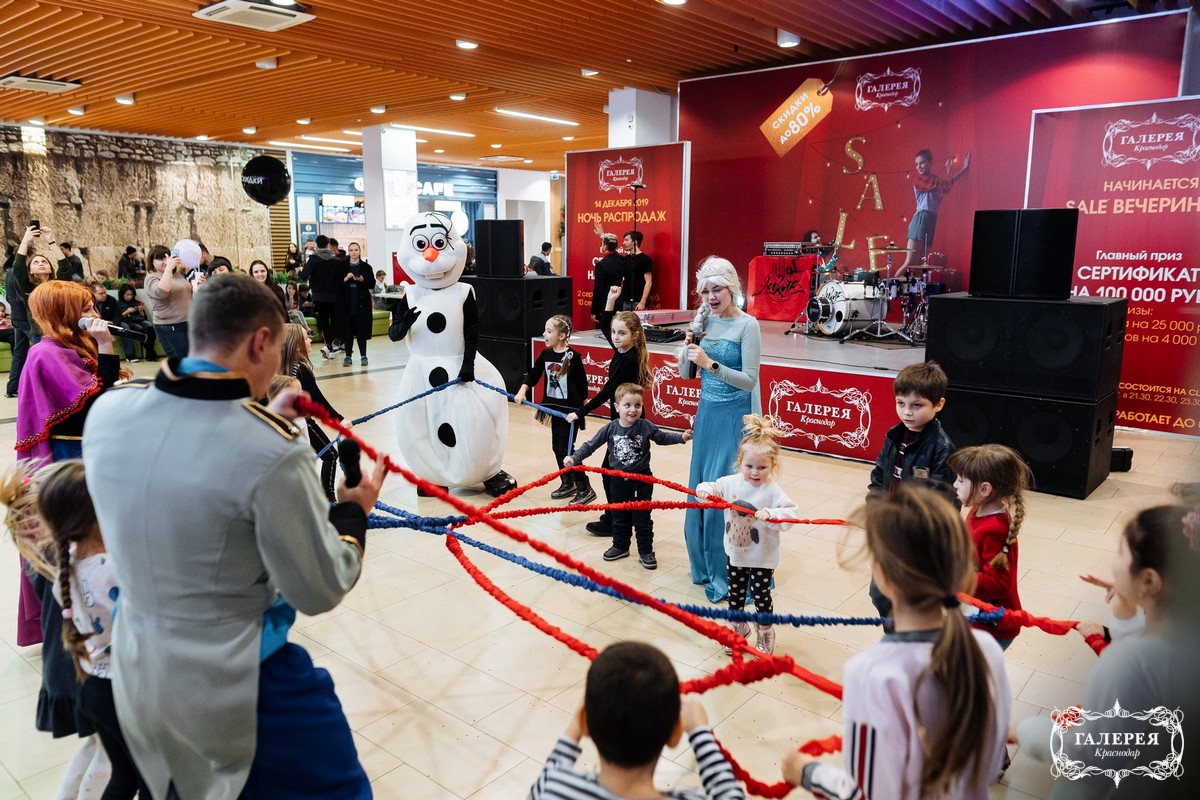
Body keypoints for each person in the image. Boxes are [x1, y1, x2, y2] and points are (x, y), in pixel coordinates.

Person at [81, 273, 387, 800]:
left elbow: (187, 461)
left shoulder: (108, 412)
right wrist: (352, 513)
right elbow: (318, 588)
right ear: (260, 342)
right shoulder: (271, 449)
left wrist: (257, 420)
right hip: (238, 680)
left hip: (136, 667)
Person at [781, 485, 1011, 800]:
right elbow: (990, 761)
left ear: (883, 576)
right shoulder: (986, 650)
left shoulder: (873, 673)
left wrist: (807, 773)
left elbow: (868, 794)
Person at [1015, 504, 1195, 799]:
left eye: (1120, 553)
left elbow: (1093, 758)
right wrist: (1127, 613)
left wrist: (1032, 731)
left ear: (1149, 580)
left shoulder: (1126, 663)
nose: (1114, 563)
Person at [33, 460, 152, 799]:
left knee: (124, 776)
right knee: (153, 780)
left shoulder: (66, 566)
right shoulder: (115, 568)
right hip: (126, 693)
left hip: (92, 688)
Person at [526, 641, 745, 800]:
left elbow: (550, 773)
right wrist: (700, 733)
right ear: (675, 734)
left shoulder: (553, 789)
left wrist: (579, 722)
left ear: (584, 723)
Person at [678, 257, 762, 603]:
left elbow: (749, 381)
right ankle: (702, 564)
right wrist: (688, 348)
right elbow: (686, 375)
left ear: (732, 289)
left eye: (717, 290)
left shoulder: (748, 326)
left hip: (733, 419)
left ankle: (728, 568)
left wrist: (710, 363)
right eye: (706, 291)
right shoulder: (704, 323)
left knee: (723, 489)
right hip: (707, 416)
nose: (711, 297)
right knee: (700, 486)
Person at [695, 415, 798, 655]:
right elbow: (712, 486)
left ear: (772, 467)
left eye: (762, 468)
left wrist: (771, 514)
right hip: (736, 554)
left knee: (761, 597)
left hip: (762, 557)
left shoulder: (772, 491)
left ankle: (765, 630)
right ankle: (738, 627)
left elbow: (791, 513)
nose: (755, 472)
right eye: (749, 466)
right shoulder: (731, 483)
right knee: (735, 594)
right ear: (740, 463)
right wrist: (704, 490)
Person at [565, 383, 691, 570]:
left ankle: (646, 551)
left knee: (642, 518)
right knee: (619, 515)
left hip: (642, 480)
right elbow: (590, 445)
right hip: (618, 481)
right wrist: (574, 458)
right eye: (627, 405)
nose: (633, 410)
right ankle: (620, 546)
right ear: (617, 407)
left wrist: (681, 438)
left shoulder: (645, 426)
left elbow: (662, 437)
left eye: (637, 405)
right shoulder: (610, 428)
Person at [866, 360, 956, 621]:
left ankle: (912, 637)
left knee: (911, 598)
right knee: (880, 593)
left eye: (917, 405)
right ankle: (897, 635)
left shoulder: (942, 448)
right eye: (900, 403)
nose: (907, 412)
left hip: (917, 539)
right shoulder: (894, 436)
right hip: (889, 530)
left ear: (938, 404)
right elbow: (879, 477)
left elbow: (945, 503)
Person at [566, 300, 651, 517]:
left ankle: (616, 516)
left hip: (628, 424)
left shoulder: (627, 359)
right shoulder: (624, 350)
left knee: (613, 471)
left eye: (621, 333)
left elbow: (607, 392)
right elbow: (604, 325)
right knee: (616, 470)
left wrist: (580, 412)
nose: (615, 337)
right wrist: (610, 301)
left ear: (634, 335)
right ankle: (618, 514)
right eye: (614, 332)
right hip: (624, 421)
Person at [948, 444, 1031, 650]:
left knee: (974, 669)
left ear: (984, 489)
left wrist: (955, 577)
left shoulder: (995, 529)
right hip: (974, 612)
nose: (955, 484)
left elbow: (1000, 584)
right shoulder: (976, 511)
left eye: (961, 480)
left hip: (994, 626)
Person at [514, 314, 592, 502]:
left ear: (562, 336)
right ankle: (567, 482)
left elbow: (582, 383)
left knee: (567, 449)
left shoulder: (573, 357)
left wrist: (582, 410)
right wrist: (523, 390)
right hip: (553, 408)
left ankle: (584, 486)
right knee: (557, 447)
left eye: (549, 331)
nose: (544, 334)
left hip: (570, 411)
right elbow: (534, 374)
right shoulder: (546, 354)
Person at [280, 321, 343, 502]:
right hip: (303, 423)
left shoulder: (284, 367)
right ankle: (329, 499)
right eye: (306, 338)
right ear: (297, 346)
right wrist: (340, 420)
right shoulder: (300, 369)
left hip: (286, 423)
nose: (310, 340)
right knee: (330, 455)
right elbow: (318, 400)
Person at [897, 149, 971, 274]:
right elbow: (943, 184)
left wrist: (960, 170)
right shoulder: (919, 180)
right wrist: (952, 172)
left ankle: (916, 287)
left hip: (931, 220)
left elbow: (946, 186)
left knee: (921, 264)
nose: (919, 167)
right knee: (910, 262)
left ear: (930, 162)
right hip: (921, 218)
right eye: (917, 164)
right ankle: (891, 286)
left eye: (922, 163)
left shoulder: (936, 180)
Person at [7, 223, 55, 397]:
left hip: (20, 318)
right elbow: (18, 292)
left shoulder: (10, 272)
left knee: (21, 353)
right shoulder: (20, 275)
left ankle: (13, 388)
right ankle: (36, 389)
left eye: (43, 261)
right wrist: (26, 239)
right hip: (28, 320)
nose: (39, 262)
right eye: (35, 259)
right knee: (39, 356)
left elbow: (10, 297)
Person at [143, 244, 192, 359]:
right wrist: (168, 269)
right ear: (152, 261)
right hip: (170, 326)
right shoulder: (151, 277)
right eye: (161, 259)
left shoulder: (178, 275)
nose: (166, 261)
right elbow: (161, 292)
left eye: (168, 257)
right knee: (182, 362)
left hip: (188, 322)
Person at [300, 234, 344, 358]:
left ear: (317, 245)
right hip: (334, 295)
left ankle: (328, 344)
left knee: (324, 320)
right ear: (328, 244)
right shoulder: (336, 260)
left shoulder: (313, 259)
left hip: (319, 296)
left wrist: (300, 272)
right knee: (334, 320)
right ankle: (333, 343)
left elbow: (304, 276)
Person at [335, 241, 376, 367]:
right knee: (347, 331)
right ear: (348, 252)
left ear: (359, 252)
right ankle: (348, 356)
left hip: (361, 303)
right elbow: (335, 283)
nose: (353, 252)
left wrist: (362, 279)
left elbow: (372, 284)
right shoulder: (341, 266)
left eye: (356, 250)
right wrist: (346, 278)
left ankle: (363, 355)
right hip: (346, 303)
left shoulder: (366, 267)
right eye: (351, 250)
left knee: (361, 331)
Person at [590, 233, 626, 348]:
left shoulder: (601, 265)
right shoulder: (622, 260)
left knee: (604, 333)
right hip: (620, 302)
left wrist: (594, 311)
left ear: (605, 246)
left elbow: (598, 289)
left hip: (606, 304)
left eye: (601, 244)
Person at [115, 284, 157, 361]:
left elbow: (144, 317)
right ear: (122, 294)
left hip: (140, 320)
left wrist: (141, 311)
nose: (129, 297)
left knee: (150, 326)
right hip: (128, 322)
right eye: (127, 295)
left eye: (131, 295)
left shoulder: (137, 302)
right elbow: (117, 318)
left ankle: (150, 352)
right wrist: (127, 311)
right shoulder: (117, 304)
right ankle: (151, 352)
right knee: (139, 328)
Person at [622, 230, 653, 311]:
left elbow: (648, 282)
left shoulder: (645, 259)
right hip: (625, 301)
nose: (624, 243)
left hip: (638, 302)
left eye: (627, 240)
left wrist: (642, 302)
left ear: (635, 242)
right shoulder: (626, 259)